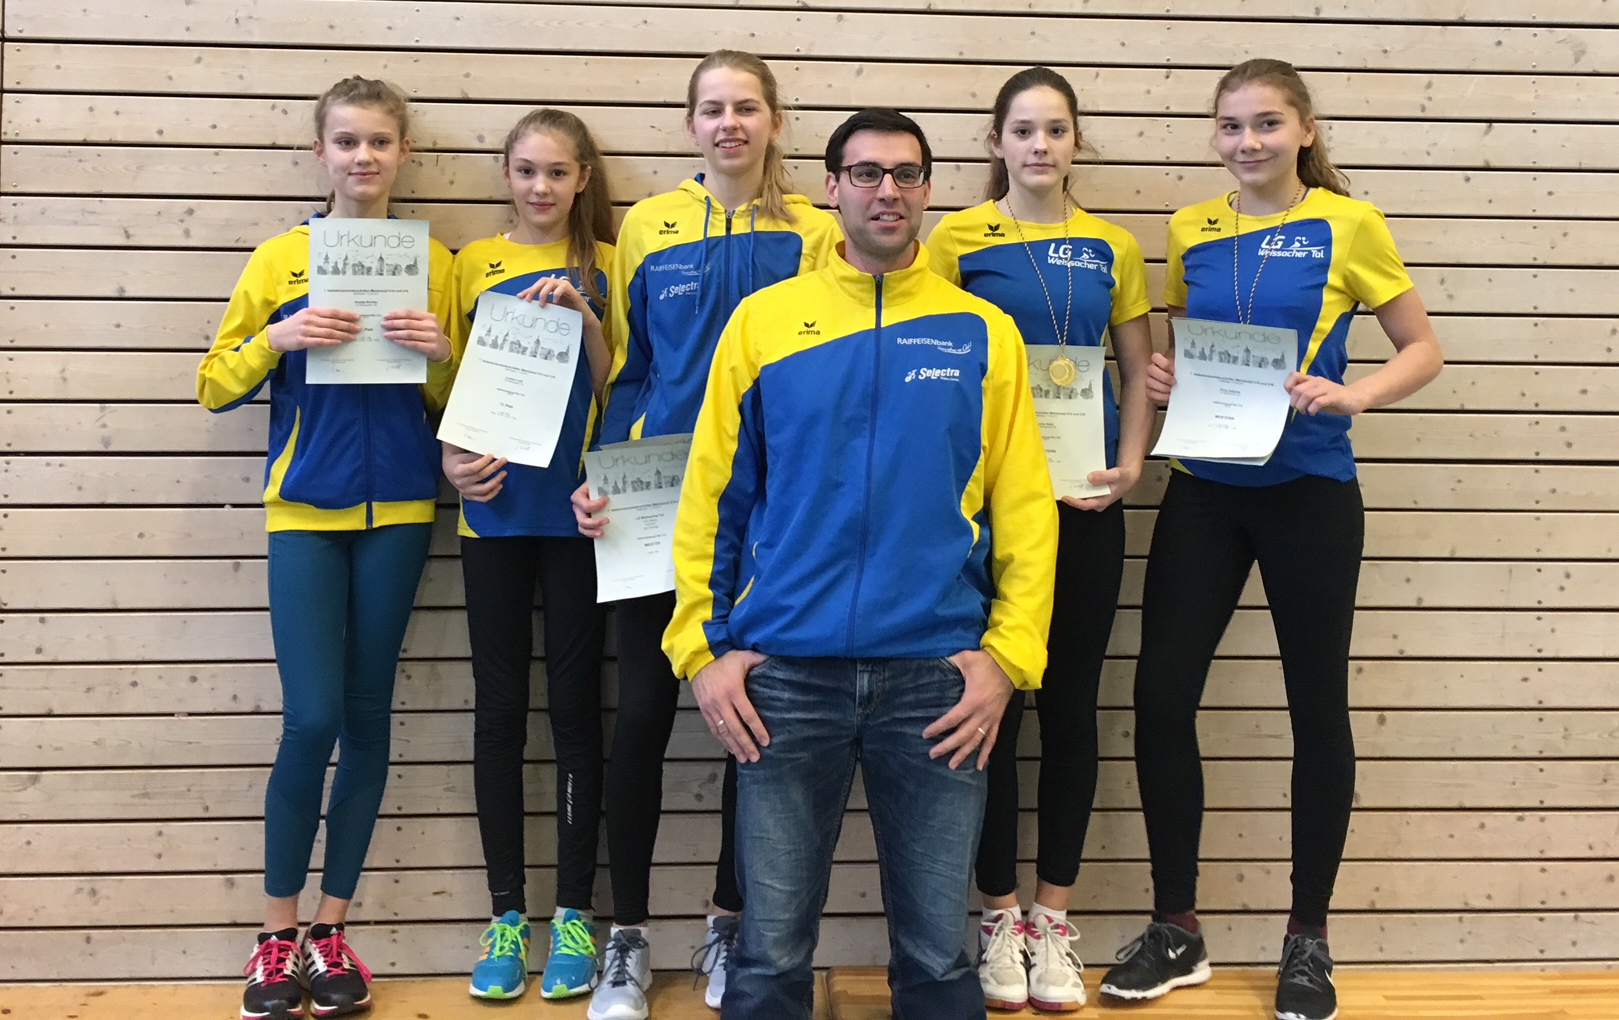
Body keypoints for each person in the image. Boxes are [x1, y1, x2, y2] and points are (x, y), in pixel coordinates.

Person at [664, 107, 1060, 1020]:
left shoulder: (982, 331)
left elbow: (1023, 510)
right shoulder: (763, 325)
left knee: (935, 959)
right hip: (783, 675)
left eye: (906, 174)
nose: (888, 191)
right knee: (768, 956)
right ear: (831, 187)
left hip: (936, 681)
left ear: (927, 189)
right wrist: (702, 649)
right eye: (867, 173)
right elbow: (711, 498)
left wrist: (1007, 659)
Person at [1097, 59, 1443, 1020]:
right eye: (1229, 126)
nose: (1245, 142)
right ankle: (1177, 929)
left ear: (1302, 130)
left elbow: (1421, 348)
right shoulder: (1189, 229)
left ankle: (1307, 939)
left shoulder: (1349, 223)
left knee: (1315, 708)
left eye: (1264, 124)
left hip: (1309, 494)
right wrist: (1165, 378)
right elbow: (1188, 348)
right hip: (1204, 491)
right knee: (1160, 698)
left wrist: (1354, 393)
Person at [571, 49, 841, 1020]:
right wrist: (600, 475)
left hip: (770, 516)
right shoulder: (649, 225)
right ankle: (628, 939)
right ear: (691, 124)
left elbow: (828, 370)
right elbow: (631, 372)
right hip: (655, 510)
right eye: (712, 108)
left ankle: (730, 925)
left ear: (773, 121)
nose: (729, 123)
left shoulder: (813, 230)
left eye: (746, 107)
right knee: (641, 718)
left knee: (749, 728)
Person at [196, 75, 455, 1020]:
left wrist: (441, 358)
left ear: (403, 153)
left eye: (380, 141)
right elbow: (214, 385)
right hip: (304, 513)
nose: (363, 156)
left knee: (367, 720)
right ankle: (274, 938)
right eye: (347, 141)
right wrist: (280, 334)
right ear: (321, 153)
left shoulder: (435, 263)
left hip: (401, 514)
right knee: (310, 721)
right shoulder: (280, 259)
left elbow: (463, 407)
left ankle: (332, 931)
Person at [928, 66, 1152, 1014]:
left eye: (1055, 130)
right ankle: (997, 915)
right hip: (987, 514)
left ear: (1074, 142)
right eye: (1021, 130)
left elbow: (1138, 367)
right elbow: (930, 363)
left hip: (1085, 504)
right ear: (996, 143)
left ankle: (1052, 918)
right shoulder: (954, 238)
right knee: (991, 710)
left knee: (1069, 710)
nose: (1039, 146)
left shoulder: (1113, 245)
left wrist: (1131, 463)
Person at [440, 108, 616, 1003]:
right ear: (505, 175)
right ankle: (505, 915)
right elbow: (445, 383)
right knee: (500, 715)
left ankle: (574, 914)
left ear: (582, 178)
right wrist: (448, 461)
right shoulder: (471, 263)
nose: (540, 186)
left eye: (556, 171)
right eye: (525, 170)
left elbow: (621, 381)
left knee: (578, 714)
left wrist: (584, 317)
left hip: (580, 520)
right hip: (494, 519)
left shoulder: (609, 263)